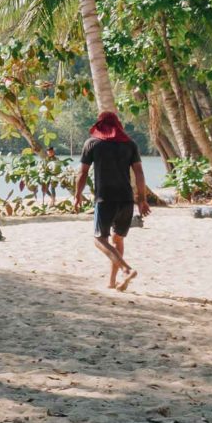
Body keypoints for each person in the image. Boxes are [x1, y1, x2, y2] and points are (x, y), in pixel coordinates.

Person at [73, 111, 151, 290]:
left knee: (99, 240)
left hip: (105, 199)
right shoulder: (130, 144)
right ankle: (111, 282)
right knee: (118, 240)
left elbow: (82, 172)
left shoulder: (92, 143)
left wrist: (77, 195)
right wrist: (142, 200)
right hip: (126, 200)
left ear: (99, 125)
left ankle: (126, 269)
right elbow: (139, 173)